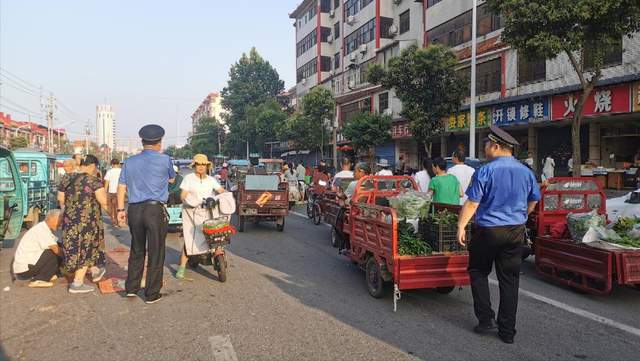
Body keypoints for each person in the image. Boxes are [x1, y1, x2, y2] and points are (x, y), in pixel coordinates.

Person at [456, 125, 541, 344]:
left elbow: (472, 203)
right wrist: (522, 214)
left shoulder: (485, 170)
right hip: (515, 232)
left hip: (488, 231)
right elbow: (533, 200)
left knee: (478, 271)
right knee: (510, 280)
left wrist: (461, 227)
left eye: (486, 144)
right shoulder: (526, 171)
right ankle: (507, 332)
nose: (484, 148)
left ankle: (486, 321)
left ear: (495, 146)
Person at [117, 124, 176, 304]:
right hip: (154, 210)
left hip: (134, 210)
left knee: (137, 249)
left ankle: (131, 288)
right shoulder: (165, 160)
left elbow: (121, 187)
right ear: (159, 143)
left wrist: (120, 210)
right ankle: (152, 293)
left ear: (142, 142)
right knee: (156, 251)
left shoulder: (129, 161)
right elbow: (172, 179)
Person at [58, 154, 109, 294]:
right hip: (88, 223)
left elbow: (60, 199)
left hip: (70, 221)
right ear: (93, 166)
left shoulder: (66, 179)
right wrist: (116, 217)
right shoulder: (94, 181)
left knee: (74, 248)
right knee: (85, 249)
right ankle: (77, 283)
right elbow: (104, 202)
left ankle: (95, 270)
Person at [176, 154, 225, 279]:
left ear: (207, 166)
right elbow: (183, 195)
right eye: (199, 164)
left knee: (217, 235)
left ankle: (217, 253)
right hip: (192, 212)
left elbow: (221, 191)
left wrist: (227, 196)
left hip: (209, 211)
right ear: (194, 166)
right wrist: (189, 200)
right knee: (190, 239)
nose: (201, 167)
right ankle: (181, 267)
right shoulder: (188, 178)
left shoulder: (211, 179)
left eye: (204, 164)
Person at [13, 210, 63, 288]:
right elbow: (56, 250)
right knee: (54, 252)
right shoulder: (41, 230)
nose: (61, 224)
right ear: (52, 218)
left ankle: (50, 273)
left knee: (59, 247)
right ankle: (39, 279)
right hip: (24, 271)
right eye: (60, 220)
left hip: (28, 266)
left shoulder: (43, 227)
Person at [103, 159, 122, 226]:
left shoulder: (109, 172)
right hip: (120, 192)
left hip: (112, 192)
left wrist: (104, 192)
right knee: (119, 207)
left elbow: (107, 183)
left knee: (112, 208)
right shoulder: (122, 171)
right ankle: (120, 221)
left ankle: (114, 222)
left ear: (112, 164)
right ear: (119, 163)